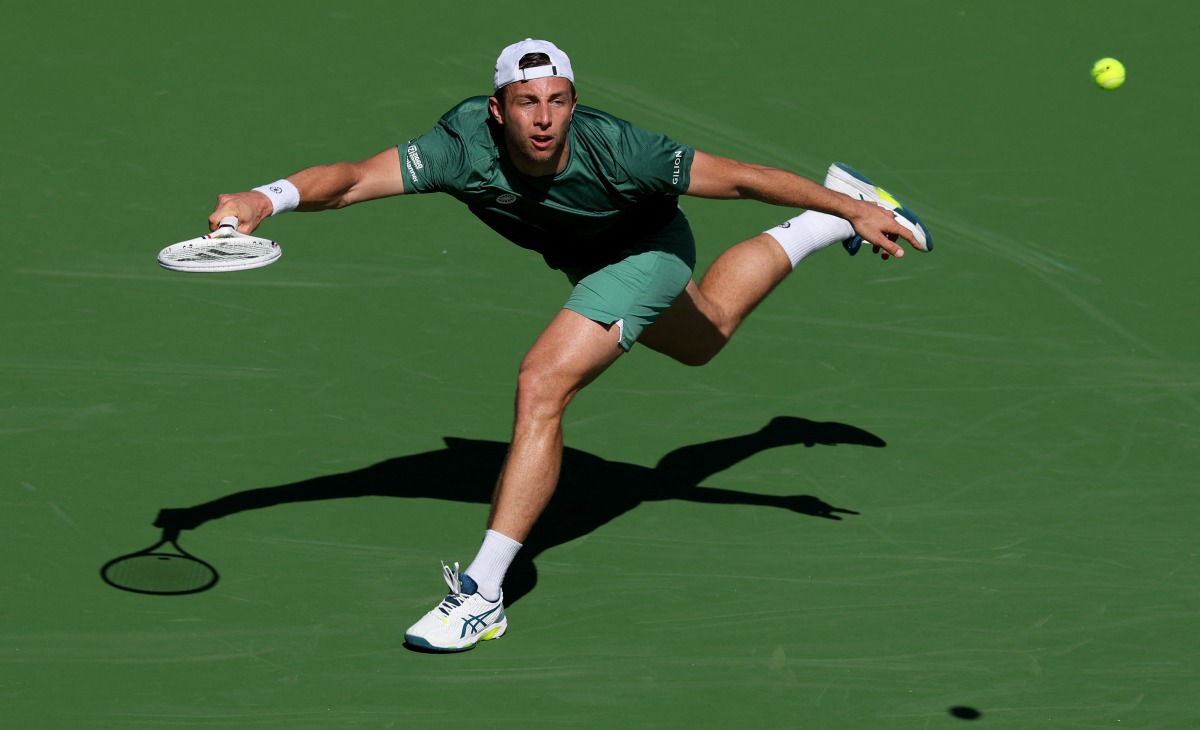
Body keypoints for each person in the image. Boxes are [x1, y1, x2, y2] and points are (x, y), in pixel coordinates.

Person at [208, 38, 933, 652]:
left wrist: (859, 212)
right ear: (499, 110)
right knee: (703, 335)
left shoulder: (622, 151)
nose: (546, 118)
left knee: (541, 384)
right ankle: (822, 226)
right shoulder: (460, 144)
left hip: (647, 251)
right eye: (528, 102)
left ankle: (483, 593)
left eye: (559, 100)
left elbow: (741, 178)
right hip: (587, 259)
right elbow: (353, 180)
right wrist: (262, 200)